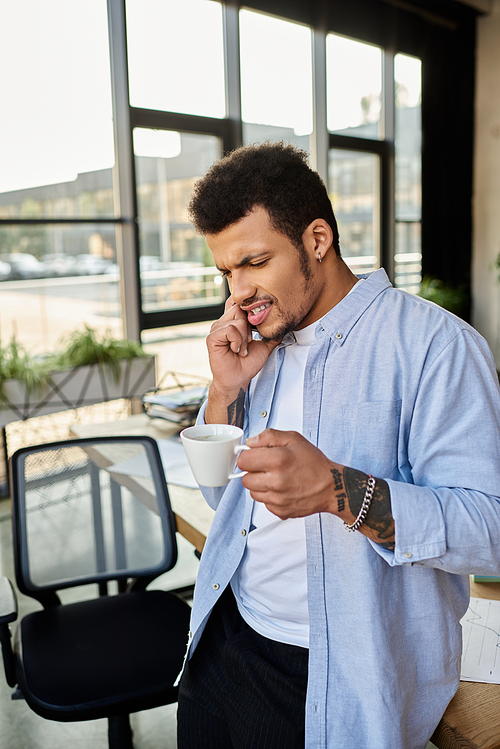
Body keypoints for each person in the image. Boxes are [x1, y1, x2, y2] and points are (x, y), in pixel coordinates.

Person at [176, 141, 500, 749]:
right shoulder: (259, 340)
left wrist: (337, 490)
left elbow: (491, 528)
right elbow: (222, 498)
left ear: (317, 240)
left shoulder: (437, 348)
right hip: (226, 634)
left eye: (255, 261)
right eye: (227, 272)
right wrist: (223, 391)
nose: (239, 291)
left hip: (337, 673)